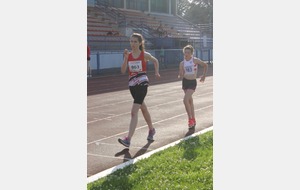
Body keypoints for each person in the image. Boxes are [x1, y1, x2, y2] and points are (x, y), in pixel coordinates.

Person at [118, 33, 161, 147]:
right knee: (143, 109)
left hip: (142, 83)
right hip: (132, 85)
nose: (132, 44)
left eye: (135, 42)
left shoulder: (144, 55)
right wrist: (125, 59)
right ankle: (151, 129)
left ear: (140, 43)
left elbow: (155, 60)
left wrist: (156, 72)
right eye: (131, 41)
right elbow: (123, 71)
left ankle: (128, 139)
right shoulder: (129, 55)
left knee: (134, 112)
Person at [178, 45, 208, 129]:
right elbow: (181, 73)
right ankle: (193, 119)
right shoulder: (182, 63)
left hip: (192, 82)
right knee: (190, 102)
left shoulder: (195, 60)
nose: (186, 54)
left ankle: (190, 119)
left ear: (191, 53)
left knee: (185, 100)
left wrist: (204, 76)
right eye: (185, 52)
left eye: (188, 52)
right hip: (185, 82)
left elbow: (205, 65)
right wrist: (180, 74)